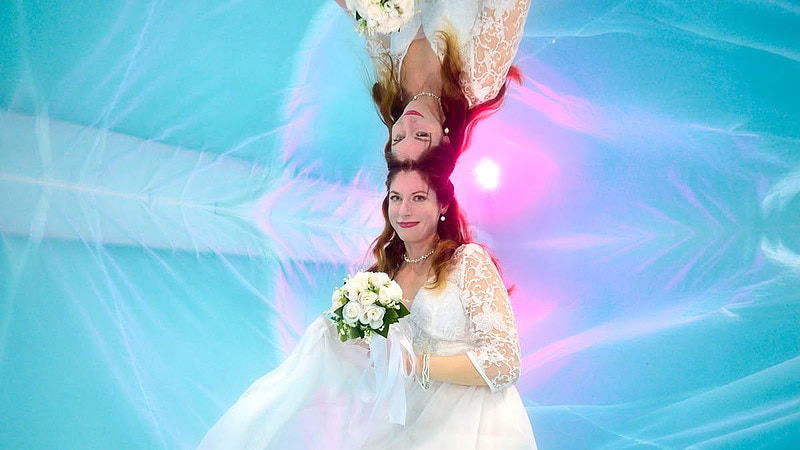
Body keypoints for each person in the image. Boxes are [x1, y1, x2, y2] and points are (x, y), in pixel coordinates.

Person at [197, 150, 536, 449]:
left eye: (418, 197)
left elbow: (506, 363)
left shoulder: (467, 262)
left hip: (477, 421)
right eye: (395, 198)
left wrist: (414, 364)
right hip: (412, 416)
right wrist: (342, 336)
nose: (404, 210)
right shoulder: (386, 275)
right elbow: (378, 359)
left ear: (442, 203)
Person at [336, 0, 531, 162]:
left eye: (399, 137)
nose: (408, 122)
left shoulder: (391, 83)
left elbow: (359, 14)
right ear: (445, 139)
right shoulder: (480, 81)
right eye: (421, 135)